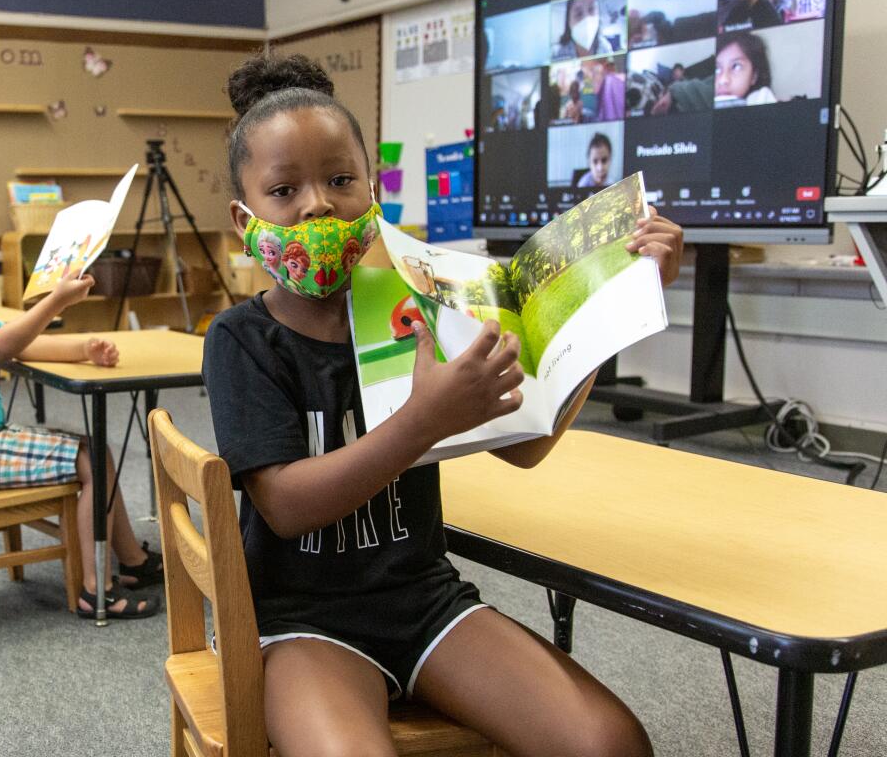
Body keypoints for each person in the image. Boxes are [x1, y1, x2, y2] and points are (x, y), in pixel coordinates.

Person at [203, 53, 683, 757]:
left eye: (340, 180)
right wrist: (424, 419)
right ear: (245, 217)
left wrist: (615, 311)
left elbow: (526, 446)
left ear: (373, 189)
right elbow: (286, 505)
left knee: (609, 743)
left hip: (425, 602)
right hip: (298, 621)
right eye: (285, 190)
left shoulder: (424, 300)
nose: (317, 204)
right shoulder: (243, 340)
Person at [0, 211, 162, 619]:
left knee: (94, 450)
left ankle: (132, 562)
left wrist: (82, 350)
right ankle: (96, 591)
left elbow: (22, 345)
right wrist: (56, 299)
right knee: (94, 457)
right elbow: (0, 348)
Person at [714, 30, 777, 107]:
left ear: (754, 76)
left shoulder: (761, 99)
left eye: (736, 66)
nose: (723, 80)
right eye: (716, 69)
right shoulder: (700, 97)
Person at [552, 0, 622, 60]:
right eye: (578, 14)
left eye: (591, 9)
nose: (587, 20)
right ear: (568, 21)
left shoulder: (605, 47)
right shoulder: (557, 53)